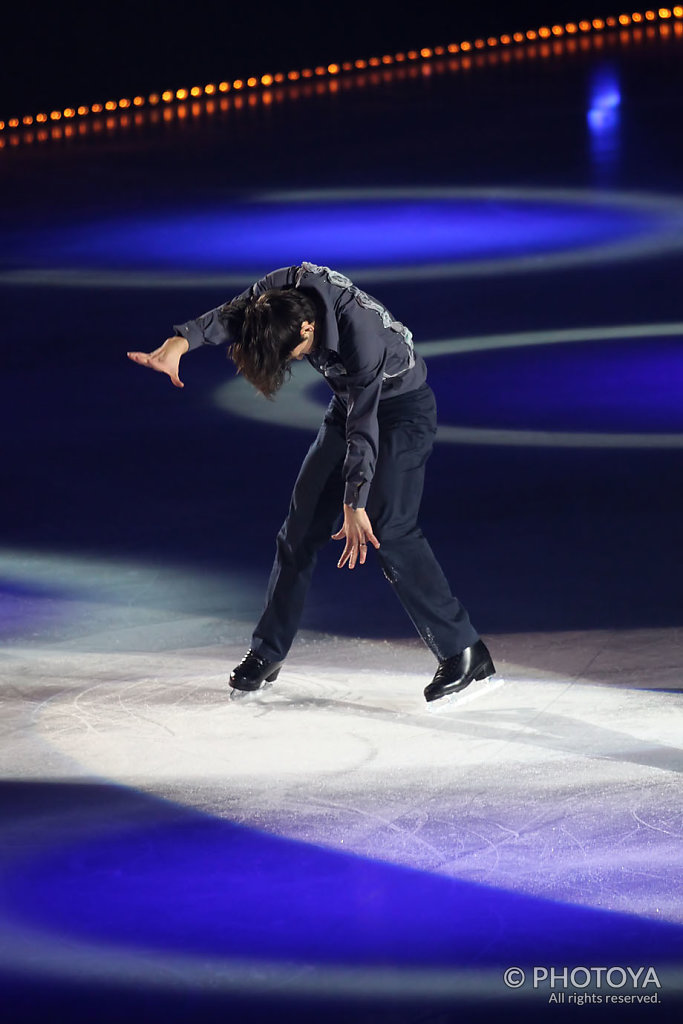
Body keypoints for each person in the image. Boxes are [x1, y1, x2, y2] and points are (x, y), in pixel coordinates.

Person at [127, 262, 494, 702]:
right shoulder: (276, 294)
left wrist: (354, 503)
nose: (291, 362)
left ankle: (464, 652)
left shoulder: (360, 335)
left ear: (307, 327)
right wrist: (181, 342)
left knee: (389, 528)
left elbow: (365, 423)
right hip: (347, 406)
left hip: (400, 410)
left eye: (292, 353)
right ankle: (267, 652)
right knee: (298, 530)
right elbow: (233, 314)